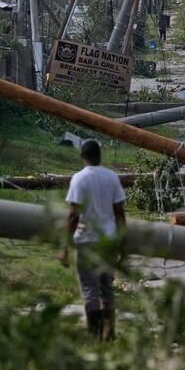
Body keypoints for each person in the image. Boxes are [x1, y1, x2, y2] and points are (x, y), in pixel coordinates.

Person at [60, 140, 127, 341]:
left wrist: (64, 246)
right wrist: (123, 245)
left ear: (83, 156)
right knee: (106, 288)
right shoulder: (112, 177)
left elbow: (73, 216)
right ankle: (110, 332)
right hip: (107, 240)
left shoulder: (79, 179)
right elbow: (120, 214)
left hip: (87, 240)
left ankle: (95, 335)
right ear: (100, 156)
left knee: (90, 290)